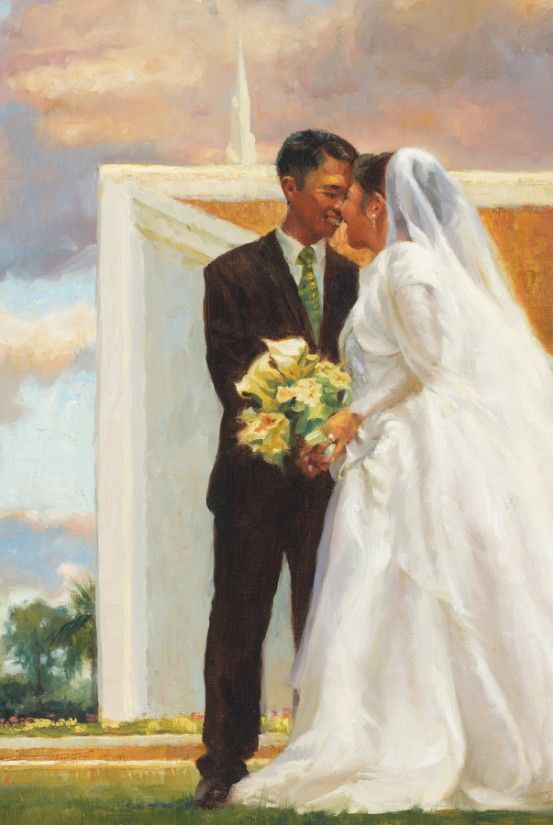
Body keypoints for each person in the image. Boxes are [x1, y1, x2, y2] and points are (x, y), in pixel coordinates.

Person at [229, 148, 553, 814]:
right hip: (388, 448)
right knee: (385, 594)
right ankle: (394, 733)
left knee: (412, 587)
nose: (341, 212)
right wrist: (339, 426)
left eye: (353, 200)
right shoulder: (396, 269)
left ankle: (427, 741)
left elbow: (431, 366)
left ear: (381, 205)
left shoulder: (406, 265)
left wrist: (352, 415)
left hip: (418, 455)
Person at [195, 129, 360, 810]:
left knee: (324, 620)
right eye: (331, 191)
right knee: (238, 619)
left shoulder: (356, 281)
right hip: (252, 485)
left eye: (348, 194)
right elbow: (232, 375)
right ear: (289, 187)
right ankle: (224, 761)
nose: (342, 207)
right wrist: (294, 431)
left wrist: (329, 440)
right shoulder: (230, 275)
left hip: (331, 487)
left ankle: (320, 752)